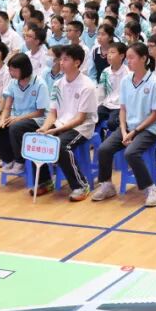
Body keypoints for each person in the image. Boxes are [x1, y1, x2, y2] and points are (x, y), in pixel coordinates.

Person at [92, 42, 156, 205]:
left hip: (149, 129)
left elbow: (155, 115)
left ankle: (151, 188)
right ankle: (107, 185)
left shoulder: (155, 83)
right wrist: (124, 130)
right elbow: (123, 109)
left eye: (132, 58)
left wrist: (134, 132)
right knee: (104, 149)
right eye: (128, 58)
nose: (128, 61)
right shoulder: (126, 81)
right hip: (129, 127)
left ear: (144, 59)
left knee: (131, 153)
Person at [34, 45, 99, 199]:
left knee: (61, 145)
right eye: (60, 59)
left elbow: (80, 118)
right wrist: (44, 128)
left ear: (77, 62)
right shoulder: (58, 84)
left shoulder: (87, 86)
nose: (61, 63)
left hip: (82, 127)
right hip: (61, 123)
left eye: (65, 59)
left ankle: (81, 186)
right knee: (36, 139)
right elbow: (53, 113)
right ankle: (45, 181)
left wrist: (56, 130)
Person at [0, 53, 50, 177]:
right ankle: (9, 159)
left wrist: (18, 118)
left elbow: (40, 112)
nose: (11, 73)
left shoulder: (39, 83)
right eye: (10, 69)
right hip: (16, 118)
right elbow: (7, 107)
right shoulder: (13, 83)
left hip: (36, 119)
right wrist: (2, 121)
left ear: (24, 69)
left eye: (14, 70)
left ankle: (20, 162)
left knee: (16, 127)